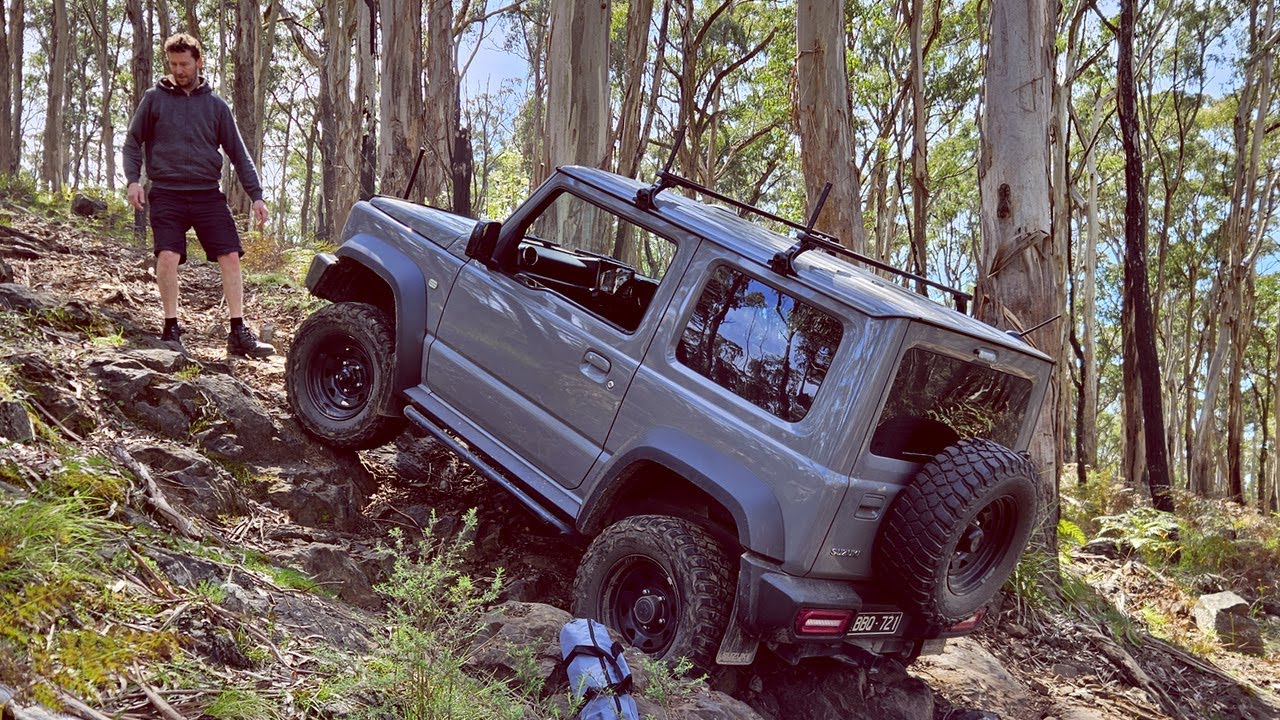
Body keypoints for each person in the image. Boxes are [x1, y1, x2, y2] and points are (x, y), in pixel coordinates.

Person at [122, 32, 274, 358]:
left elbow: (239, 153)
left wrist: (256, 196)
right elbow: (133, 141)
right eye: (173, 64)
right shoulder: (154, 99)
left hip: (207, 194)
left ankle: (237, 332)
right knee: (167, 256)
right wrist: (133, 180)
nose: (178, 70)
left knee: (231, 255)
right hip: (166, 192)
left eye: (185, 64)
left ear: (198, 62)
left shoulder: (216, 106)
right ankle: (171, 328)